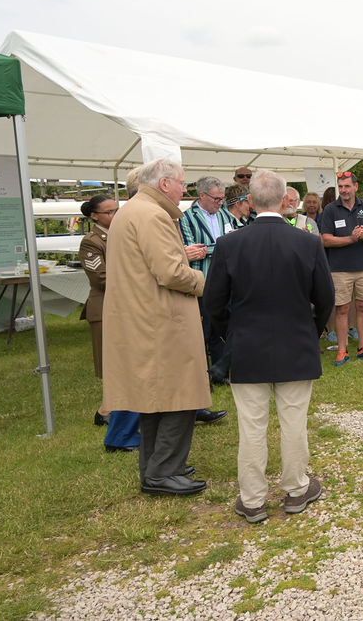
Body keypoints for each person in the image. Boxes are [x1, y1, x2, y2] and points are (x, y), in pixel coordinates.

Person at [204, 170, 334, 523]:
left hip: (248, 344)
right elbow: (325, 297)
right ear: (283, 200)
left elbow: (213, 301)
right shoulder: (307, 242)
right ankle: (295, 489)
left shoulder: (231, 244)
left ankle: (253, 499)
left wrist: (233, 333)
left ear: (251, 201)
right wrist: (312, 329)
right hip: (294, 340)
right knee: (293, 421)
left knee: (252, 425)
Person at [102, 158, 211, 496]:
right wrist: (204, 280)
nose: (184, 190)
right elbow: (172, 273)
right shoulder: (153, 215)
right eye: (181, 183)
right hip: (162, 320)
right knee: (180, 395)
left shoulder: (134, 210)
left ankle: (157, 468)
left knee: (155, 400)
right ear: (164, 184)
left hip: (146, 317)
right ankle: (164, 471)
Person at [79, 195, 140, 452]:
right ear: (94, 216)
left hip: (124, 306)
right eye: (108, 213)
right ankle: (109, 413)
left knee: (123, 364)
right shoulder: (91, 242)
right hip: (104, 308)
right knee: (112, 365)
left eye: (117, 210)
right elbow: (101, 276)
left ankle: (107, 411)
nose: (114, 216)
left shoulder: (120, 235)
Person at [179, 176, 236, 400]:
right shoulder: (186, 217)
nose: (220, 202)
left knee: (223, 329)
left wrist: (213, 248)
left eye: (222, 198)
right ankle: (202, 378)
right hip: (201, 281)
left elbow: (221, 245)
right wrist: (222, 245)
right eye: (216, 199)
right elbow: (193, 249)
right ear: (202, 196)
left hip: (225, 281)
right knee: (201, 332)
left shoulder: (224, 215)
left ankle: (220, 372)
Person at [320, 171, 363, 365]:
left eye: (347, 186)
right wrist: (351, 239)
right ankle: (342, 350)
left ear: (355, 187)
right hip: (339, 268)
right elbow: (325, 240)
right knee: (342, 309)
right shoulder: (330, 209)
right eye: (341, 186)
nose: (344, 190)